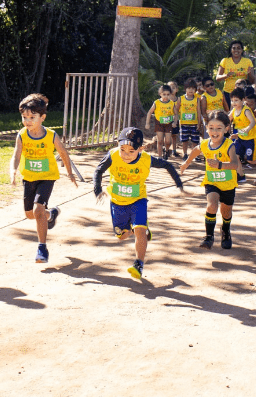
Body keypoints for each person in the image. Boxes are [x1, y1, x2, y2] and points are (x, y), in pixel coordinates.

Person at [93, 127, 191, 279]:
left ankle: (138, 264)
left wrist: (179, 185)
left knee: (139, 229)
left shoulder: (146, 159)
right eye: (122, 149)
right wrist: (98, 189)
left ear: (140, 149)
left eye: (131, 151)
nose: (125, 155)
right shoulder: (113, 155)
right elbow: (98, 170)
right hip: (118, 202)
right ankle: (139, 230)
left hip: (138, 200)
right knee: (122, 236)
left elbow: (168, 165)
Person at [10, 93, 78, 263]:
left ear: (42, 118)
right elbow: (16, 155)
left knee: (37, 210)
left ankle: (42, 249)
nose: (27, 121)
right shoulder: (22, 135)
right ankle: (51, 214)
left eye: (32, 117)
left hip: (47, 177)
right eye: (24, 117)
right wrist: (13, 170)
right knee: (29, 214)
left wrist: (70, 173)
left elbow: (63, 153)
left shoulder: (51, 135)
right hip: (29, 178)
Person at [180, 110, 239, 250]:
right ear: (207, 129)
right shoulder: (206, 144)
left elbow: (235, 164)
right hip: (211, 182)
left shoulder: (229, 145)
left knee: (226, 212)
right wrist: (187, 162)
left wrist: (220, 165)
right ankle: (208, 236)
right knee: (212, 205)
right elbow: (196, 149)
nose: (214, 131)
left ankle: (225, 231)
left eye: (219, 128)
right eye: (211, 128)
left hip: (228, 184)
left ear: (226, 129)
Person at [228, 87, 256, 183]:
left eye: (236, 100)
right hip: (240, 138)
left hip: (251, 138)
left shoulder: (246, 110)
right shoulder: (233, 111)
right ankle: (241, 175)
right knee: (236, 156)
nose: (234, 103)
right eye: (232, 101)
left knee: (251, 160)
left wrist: (247, 129)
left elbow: (253, 122)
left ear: (243, 100)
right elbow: (227, 119)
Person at [216, 40, 256, 107]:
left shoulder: (247, 61)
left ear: (242, 50)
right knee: (230, 115)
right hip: (228, 93)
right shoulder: (225, 61)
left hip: (243, 94)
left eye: (238, 48)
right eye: (234, 48)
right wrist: (226, 75)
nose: (236, 50)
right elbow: (217, 78)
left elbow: (253, 81)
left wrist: (250, 74)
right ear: (231, 50)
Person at [174, 78, 204, 160]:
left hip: (194, 124)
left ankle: (195, 155)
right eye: (189, 88)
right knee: (185, 140)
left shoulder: (197, 99)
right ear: (185, 89)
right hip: (184, 124)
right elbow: (176, 109)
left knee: (195, 141)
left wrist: (199, 123)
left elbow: (198, 111)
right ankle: (185, 154)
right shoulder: (181, 99)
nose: (191, 90)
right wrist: (176, 119)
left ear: (195, 89)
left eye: (193, 88)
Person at [145, 84, 177, 160]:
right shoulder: (157, 102)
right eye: (164, 94)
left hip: (168, 123)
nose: (166, 96)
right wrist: (147, 123)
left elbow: (176, 113)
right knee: (160, 140)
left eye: (168, 95)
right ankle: (159, 157)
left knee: (168, 141)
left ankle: (166, 151)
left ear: (170, 94)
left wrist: (175, 122)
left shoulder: (172, 103)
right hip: (159, 123)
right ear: (160, 94)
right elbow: (149, 112)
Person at [167, 81, 182, 158]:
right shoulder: (165, 98)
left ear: (177, 89)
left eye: (173, 88)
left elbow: (179, 110)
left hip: (175, 119)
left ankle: (174, 150)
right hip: (166, 119)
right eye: (169, 87)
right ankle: (166, 149)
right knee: (166, 135)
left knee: (174, 135)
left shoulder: (178, 99)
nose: (171, 89)